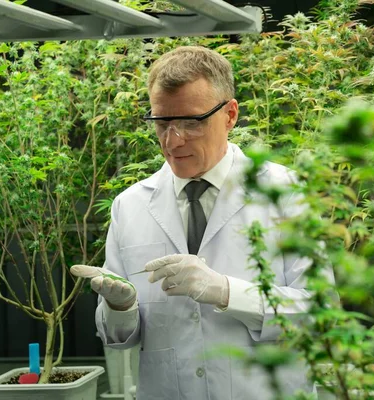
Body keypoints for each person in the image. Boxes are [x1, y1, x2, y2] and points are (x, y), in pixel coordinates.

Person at [71, 45, 317, 399]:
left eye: (191, 122)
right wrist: (119, 308)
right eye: (162, 122)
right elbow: (118, 338)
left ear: (230, 115)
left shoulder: (287, 192)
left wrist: (227, 292)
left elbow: (318, 312)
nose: (172, 140)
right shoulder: (130, 206)